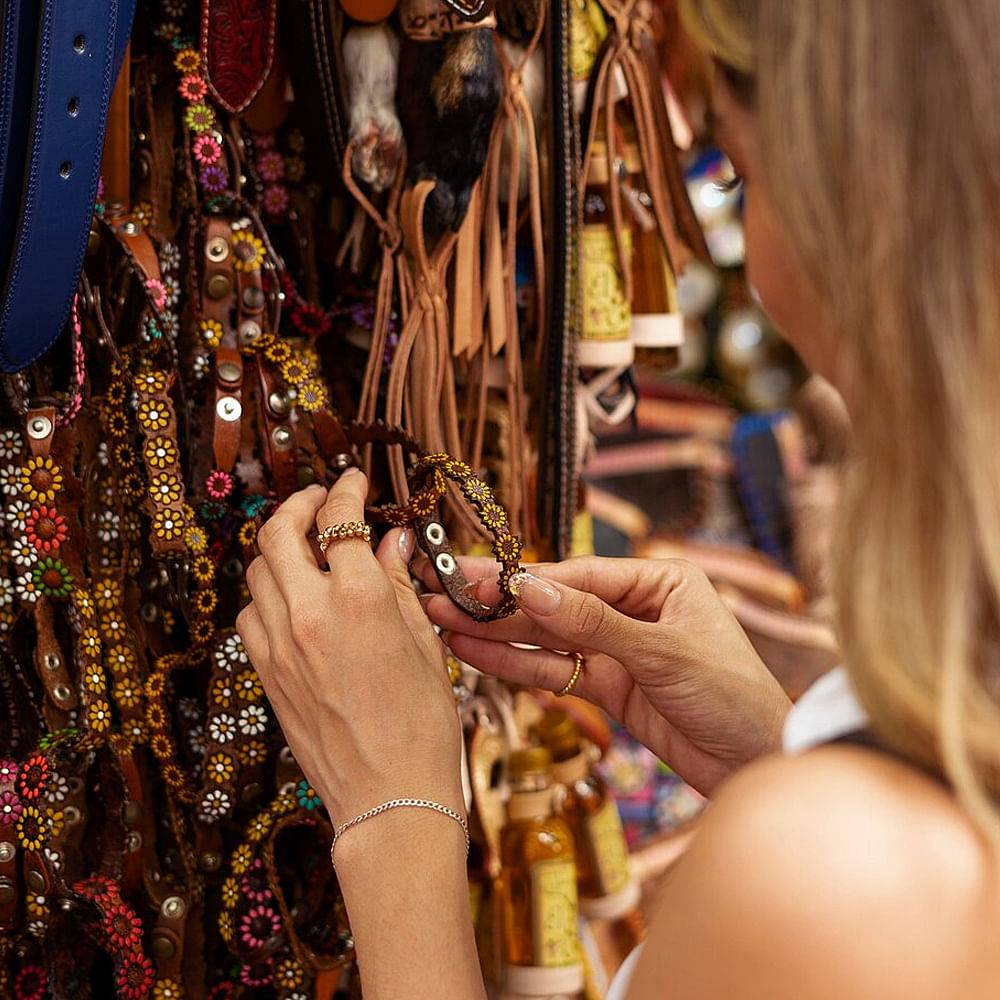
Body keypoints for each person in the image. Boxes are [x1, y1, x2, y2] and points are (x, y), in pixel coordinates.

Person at [236, 0, 1000, 996]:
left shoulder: (838, 880)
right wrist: (783, 749)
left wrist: (396, 811)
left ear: (856, 205)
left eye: (739, 171)